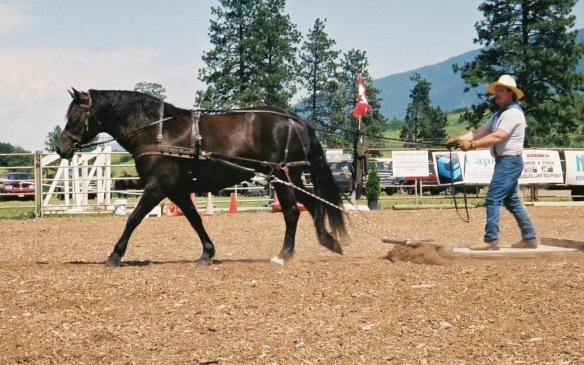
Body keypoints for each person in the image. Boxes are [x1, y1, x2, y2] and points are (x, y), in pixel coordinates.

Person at [451, 74, 537, 251]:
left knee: (492, 197)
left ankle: (491, 240)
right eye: (496, 89)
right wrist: (458, 139)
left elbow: (498, 136)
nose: (496, 93)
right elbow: (480, 132)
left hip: (509, 162)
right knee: (512, 202)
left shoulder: (512, 114)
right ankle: (529, 238)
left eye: (500, 90)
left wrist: (472, 145)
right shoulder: (500, 114)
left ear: (510, 93)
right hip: (507, 162)